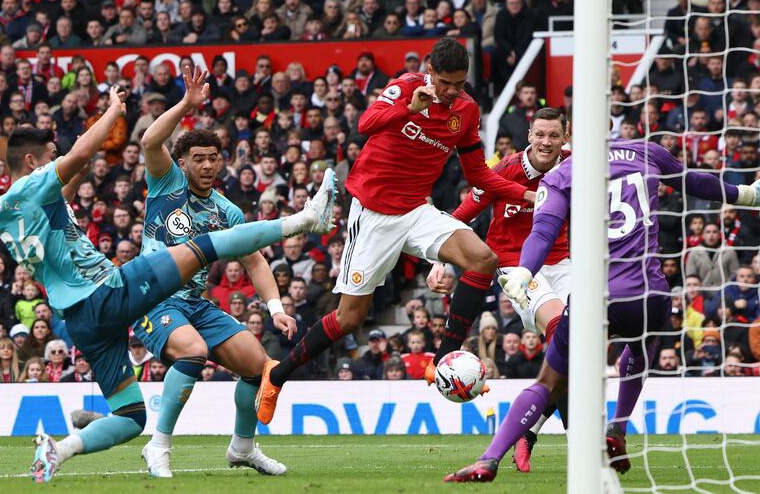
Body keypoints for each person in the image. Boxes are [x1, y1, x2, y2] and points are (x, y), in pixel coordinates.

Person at [0, 85, 337, 483]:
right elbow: (83, 154)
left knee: (129, 417)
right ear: (32, 161)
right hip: (110, 292)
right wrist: (112, 111)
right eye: (49, 161)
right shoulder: (30, 188)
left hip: (82, 319)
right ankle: (304, 220)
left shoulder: (12, 211)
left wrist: (275, 308)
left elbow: (60, 200)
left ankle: (61, 449)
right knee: (202, 250)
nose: (56, 165)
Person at [445, 138, 760, 483]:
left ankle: (489, 459)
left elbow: (544, 232)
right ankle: (618, 427)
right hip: (648, 292)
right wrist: (746, 194)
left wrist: (525, 271)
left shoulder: (563, 173)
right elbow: (695, 181)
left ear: (571, 137)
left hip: (594, 295)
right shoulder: (646, 152)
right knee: (642, 346)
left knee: (548, 381)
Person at [255, 37, 533, 425]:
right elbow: (364, 125)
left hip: (418, 210)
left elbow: (478, 175)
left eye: (460, 83)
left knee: (482, 259)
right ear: (430, 72)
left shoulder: (466, 111)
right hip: (373, 215)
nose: (453, 92)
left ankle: (441, 362)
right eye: (446, 83)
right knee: (350, 317)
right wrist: (409, 107)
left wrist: (528, 195)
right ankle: (277, 375)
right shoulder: (404, 87)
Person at [134, 67, 301, 478]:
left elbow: (255, 260)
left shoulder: (227, 211)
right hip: (152, 297)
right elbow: (149, 140)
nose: (207, 165)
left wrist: (276, 307)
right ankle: (158, 447)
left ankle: (242, 449)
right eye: (198, 159)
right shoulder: (164, 183)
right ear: (183, 162)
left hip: (194, 303)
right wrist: (186, 105)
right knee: (193, 351)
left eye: (213, 158)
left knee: (260, 368)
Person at [428, 106, 570, 471]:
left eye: (554, 135)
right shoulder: (503, 171)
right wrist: (438, 261)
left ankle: (530, 428)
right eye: (540, 134)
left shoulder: (574, 169)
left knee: (577, 348)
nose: (546, 142)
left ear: (564, 138)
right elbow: (457, 217)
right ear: (529, 136)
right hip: (518, 270)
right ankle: (583, 442)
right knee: (562, 333)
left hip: (568, 265)